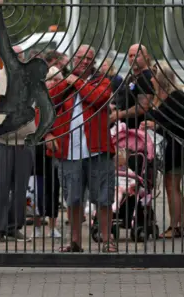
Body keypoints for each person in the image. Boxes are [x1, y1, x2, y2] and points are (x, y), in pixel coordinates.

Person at [44, 44, 118, 253]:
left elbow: (97, 98)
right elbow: (46, 104)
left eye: (89, 58)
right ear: (73, 59)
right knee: (72, 198)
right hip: (69, 151)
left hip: (98, 150)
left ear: (93, 62)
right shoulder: (62, 82)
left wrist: (75, 82)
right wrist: (47, 133)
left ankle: (106, 240)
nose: (85, 61)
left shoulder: (101, 81)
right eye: (80, 57)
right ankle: (75, 241)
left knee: (103, 198)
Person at [139, 61, 184, 238]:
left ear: (162, 78)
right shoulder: (158, 97)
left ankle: (175, 227)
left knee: (172, 186)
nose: (151, 80)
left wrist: (156, 125)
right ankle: (182, 225)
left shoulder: (178, 97)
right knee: (174, 187)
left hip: (176, 149)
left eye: (154, 76)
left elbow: (182, 124)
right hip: (165, 149)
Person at [0, 48, 35, 243]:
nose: (17, 58)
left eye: (20, 55)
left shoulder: (31, 80)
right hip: (1, 140)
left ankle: (15, 227)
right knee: (0, 185)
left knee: (21, 187)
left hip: (25, 141)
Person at [31, 66, 63, 238]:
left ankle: (52, 225)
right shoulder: (39, 98)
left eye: (57, 80)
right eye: (51, 79)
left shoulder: (62, 100)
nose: (54, 83)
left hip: (56, 149)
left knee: (54, 187)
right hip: (38, 147)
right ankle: (36, 225)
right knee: (37, 186)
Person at [110, 44, 155, 128]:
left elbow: (142, 107)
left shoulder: (147, 77)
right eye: (130, 56)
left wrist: (120, 114)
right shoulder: (132, 77)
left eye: (137, 55)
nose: (133, 58)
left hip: (140, 131)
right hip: (127, 128)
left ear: (146, 57)